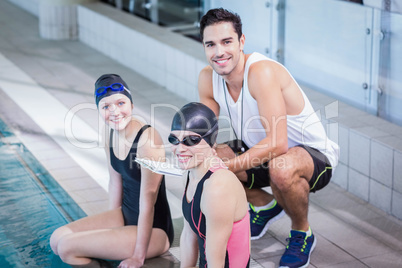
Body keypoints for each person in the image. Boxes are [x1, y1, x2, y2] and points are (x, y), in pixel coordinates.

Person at [197, 8, 339, 268]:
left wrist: (227, 168)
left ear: (241, 42)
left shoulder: (260, 72)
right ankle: (264, 206)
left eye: (227, 42)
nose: (219, 52)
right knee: (208, 155)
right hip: (263, 152)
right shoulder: (208, 78)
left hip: (310, 155)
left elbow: (278, 143)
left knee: (280, 167)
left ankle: (301, 232)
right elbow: (203, 136)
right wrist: (187, 150)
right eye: (211, 44)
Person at [49, 74, 174, 268]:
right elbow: (115, 182)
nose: (114, 112)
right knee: (57, 239)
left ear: (131, 104)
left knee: (67, 248)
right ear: (99, 110)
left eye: (121, 103)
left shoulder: (147, 140)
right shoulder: (109, 133)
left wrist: (138, 257)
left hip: (154, 231)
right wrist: (110, 231)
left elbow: (148, 201)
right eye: (106, 107)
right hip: (125, 216)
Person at [169, 102, 250, 268]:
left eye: (191, 140)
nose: (179, 149)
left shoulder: (218, 187)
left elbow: (216, 259)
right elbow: (188, 236)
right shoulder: (193, 173)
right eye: (174, 140)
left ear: (211, 141)